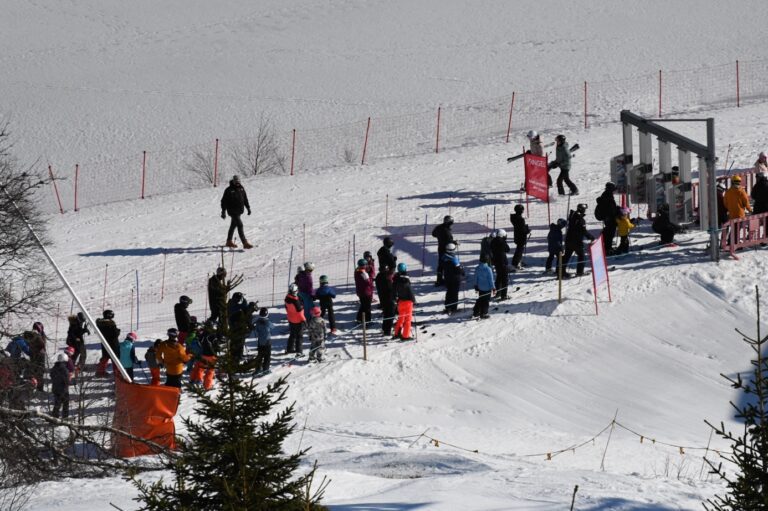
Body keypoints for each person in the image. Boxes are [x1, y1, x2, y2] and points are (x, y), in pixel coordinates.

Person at [220, 175, 253, 249]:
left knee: (233, 226)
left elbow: (245, 199)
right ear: (233, 181)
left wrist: (248, 208)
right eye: (236, 182)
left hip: (239, 211)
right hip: (232, 211)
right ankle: (245, 243)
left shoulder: (241, 188)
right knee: (240, 225)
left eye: (238, 181)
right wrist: (223, 211)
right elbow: (223, 201)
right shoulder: (228, 190)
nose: (237, 183)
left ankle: (229, 241)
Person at [562, 204, 594, 278]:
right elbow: (584, 231)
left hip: (569, 240)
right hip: (577, 242)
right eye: (584, 209)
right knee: (582, 256)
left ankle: (561, 272)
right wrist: (591, 237)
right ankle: (579, 272)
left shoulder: (572, 216)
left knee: (566, 256)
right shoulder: (580, 220)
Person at [393, 263, 416, 341]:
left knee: (401, 318)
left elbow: (394, 291)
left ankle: (397, 333)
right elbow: (410, 291)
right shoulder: (405, 280)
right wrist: (414, 300)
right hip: (408, 301)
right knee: (408, 320)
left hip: (400, 301)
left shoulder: (396, 279)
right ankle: (405, 336)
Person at [95, 310, 121, 377]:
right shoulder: (111, 324)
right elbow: (115, 334)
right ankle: (117, 374)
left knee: (105, 358)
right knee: (115, 359)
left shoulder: (100, 324)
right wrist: (118, 331)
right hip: (113, 343)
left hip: (105, 343)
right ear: (109, 315)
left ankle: (100, 372)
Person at [431, 215, 455, 286]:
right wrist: (455, 242)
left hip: (440, 248)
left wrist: (439, 236)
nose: (451, 225)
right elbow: (449, 241)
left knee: (440, 265)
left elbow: (433, 234)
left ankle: (439, 279)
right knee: (448, 264)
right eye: (451, 223)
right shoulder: (447, 231)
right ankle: (448, 279)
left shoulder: (439, 227)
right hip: (447, 250)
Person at [596, 182, 619, 254]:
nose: (614, 191)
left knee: (607, 233)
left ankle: (606, 247)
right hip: (610, 219)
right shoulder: (608, 196)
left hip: (608, 218)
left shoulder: (606, 195)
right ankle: (607, 249)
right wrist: (617, 211)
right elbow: (610, 209)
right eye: (613, 189)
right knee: (609, 234)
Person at [441, 242, 464, 314]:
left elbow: (441, 267)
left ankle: (448, 307)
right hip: (455, 279)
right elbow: (458, 270)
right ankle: (454, 308)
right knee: (454, 293)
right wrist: (462, 270)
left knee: (449, 292)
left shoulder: (443, 257)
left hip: (447, 277)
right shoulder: (454, 259)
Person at [284, 283, 306, 355]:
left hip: (291, 319)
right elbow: (300, 313)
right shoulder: (296, 302)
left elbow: (287, 308)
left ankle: (289, 349)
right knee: (299, 336)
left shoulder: (287, 299)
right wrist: (304, 320)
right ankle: (299, 351)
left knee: (292, 335)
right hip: (298, 321)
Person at [490, 228, 511, 299]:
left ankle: (498, 293)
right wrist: (504, 241)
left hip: (496, 261)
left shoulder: (493, 241)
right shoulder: (502, 242)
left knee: (498, 278)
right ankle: (504, 295)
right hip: (503, 262)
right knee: (504, 279)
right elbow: (508, 249)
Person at [375, 265, 396, 336]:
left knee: (386, 315)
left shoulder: (380, 278)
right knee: (390, 316)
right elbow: (391, 292)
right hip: (389, 301)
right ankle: (387, 331)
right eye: (391, 275)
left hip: (383, 300)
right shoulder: (388, 282)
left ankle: (384, 329)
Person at [24, 325, 46, 392]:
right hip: (39, 356)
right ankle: (40, 388)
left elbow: (26, 343)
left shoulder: (28, 335)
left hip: (32, 355)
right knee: (40, 372)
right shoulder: (38, 336)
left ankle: (30, 387)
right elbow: (43, 345)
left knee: (32, 371)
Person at [509, 204, 531, 269]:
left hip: (517, 236)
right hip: (521, 237)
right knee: (519, 251)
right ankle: (516, 263)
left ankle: (517, 262)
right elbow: (522, 230)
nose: (523, 211)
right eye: (522, 210)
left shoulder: (514, 217)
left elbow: (520, 227)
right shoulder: (520, 219)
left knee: (518, 250)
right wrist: (527, 231)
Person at [253, 308, 273, 375]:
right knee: (267, 356)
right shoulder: (268, 322)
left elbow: (256, 330)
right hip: (267, 342)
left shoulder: (258, 322)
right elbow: (273, 326)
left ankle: (257, 369)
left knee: (260, 356)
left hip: (260, 341)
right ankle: (265, 369)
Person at [49, 353, 70, 419]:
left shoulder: (54, 368)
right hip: (63, 389)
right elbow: (66, 380)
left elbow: (51, 376)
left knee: (57, 403)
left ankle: (54, 417)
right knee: (65, 404)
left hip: (55, 388)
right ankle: (65, 417)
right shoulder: (65, 369)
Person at [354, 259, 374, 324]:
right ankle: (368, 321)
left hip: (360, 291)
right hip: (366, 292)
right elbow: (369, 282)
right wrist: (371, 277)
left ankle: (359, 319)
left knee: (363, 306)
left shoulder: (357, 271)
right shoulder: (363, 273)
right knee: (367, 307)